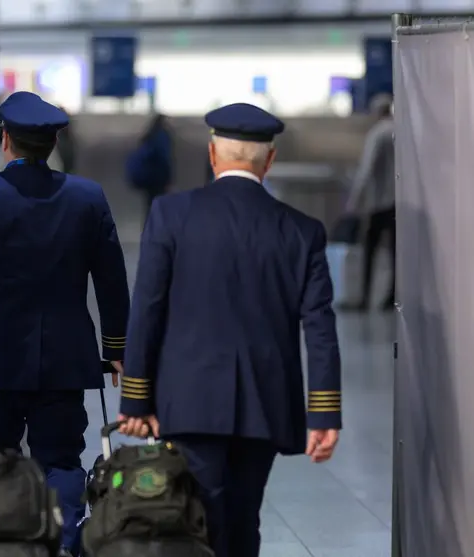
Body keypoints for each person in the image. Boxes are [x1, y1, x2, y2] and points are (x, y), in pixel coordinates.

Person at [118, 103, 342, 557]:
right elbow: (320, 327)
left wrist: (136, 399)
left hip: (189, 400)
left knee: (201, 515)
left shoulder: (170, 214)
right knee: (244, 516)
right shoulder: (301, 231)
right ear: (269, 159)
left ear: (212, 154)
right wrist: (323, 413)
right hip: (266, 402)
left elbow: (147, 309)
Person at [0, 91, 130, 557]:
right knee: (62, 461)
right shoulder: (87, 198)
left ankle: (4, 545)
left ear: (5, 139)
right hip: (64, 359)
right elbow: (111, 279)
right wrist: (116, 348)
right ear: (52, 143)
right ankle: (64, 542)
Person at [342, 94, 395, 311]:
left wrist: (354, 200)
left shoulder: (377, 134)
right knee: (395, 252)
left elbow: (366, 170)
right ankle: (391, 297)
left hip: (379, 202)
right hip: (399, 203)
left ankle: (364, 298)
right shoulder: (400, 131)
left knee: (369, 251)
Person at [125, 113, 173, 220]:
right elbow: (164, 158)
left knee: (150, 205)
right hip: (159, 178)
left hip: (149, 179)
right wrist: (168, 179)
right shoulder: (163, 136)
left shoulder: (150, 135)